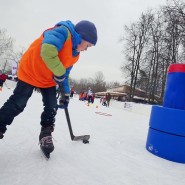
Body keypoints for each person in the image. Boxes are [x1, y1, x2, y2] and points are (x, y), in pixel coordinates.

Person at [0, 20, 97, 156]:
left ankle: (46, 134)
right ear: (81, 37)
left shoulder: (75, 55)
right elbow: (47, 50)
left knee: (52, 106)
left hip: (47, 79)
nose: (87, 49)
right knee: (18, 103)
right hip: (31, 71)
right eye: (88, 45)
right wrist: (59, 72)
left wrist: (66, 93)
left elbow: (65, 73)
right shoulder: (63, 32)